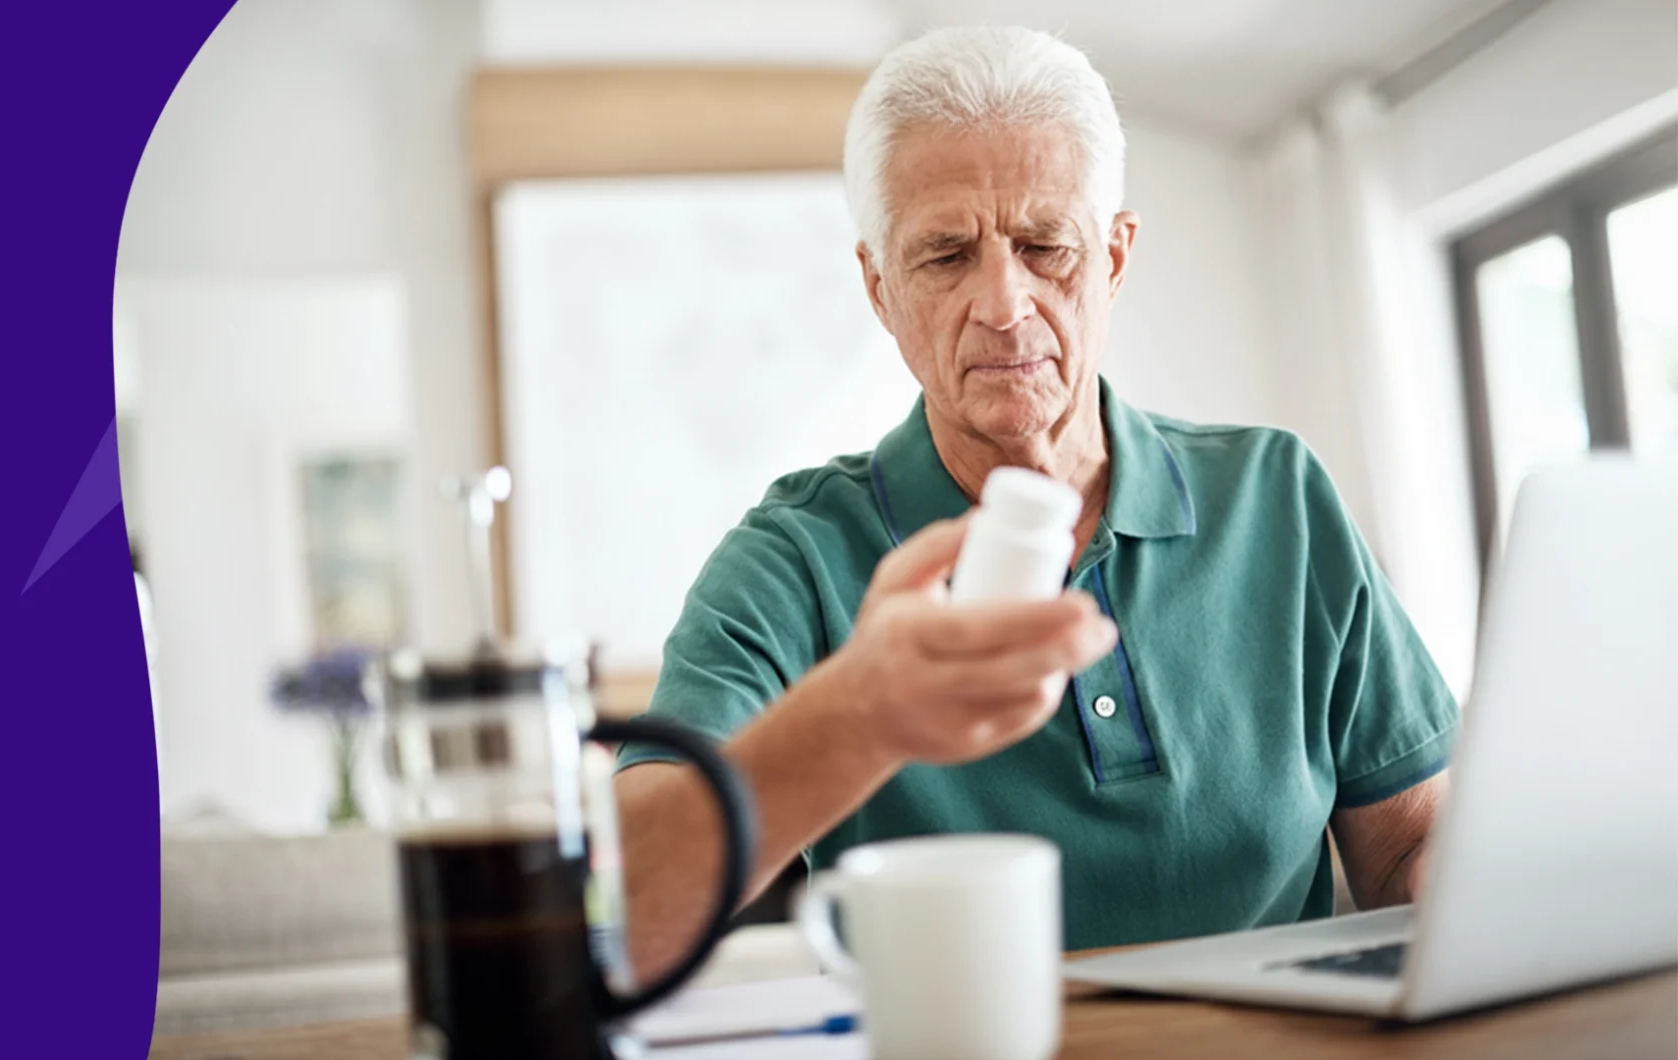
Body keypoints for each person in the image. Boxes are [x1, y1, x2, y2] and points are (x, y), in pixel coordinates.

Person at [614, 25, 1458, 974]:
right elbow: (626, 913)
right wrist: (861, 716)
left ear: (1114, 257)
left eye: (1045, 245)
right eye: (945, 256)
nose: (1004, 305)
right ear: (880, 288)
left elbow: (1411, 850)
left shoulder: (1279, 498)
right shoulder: (793, 557)